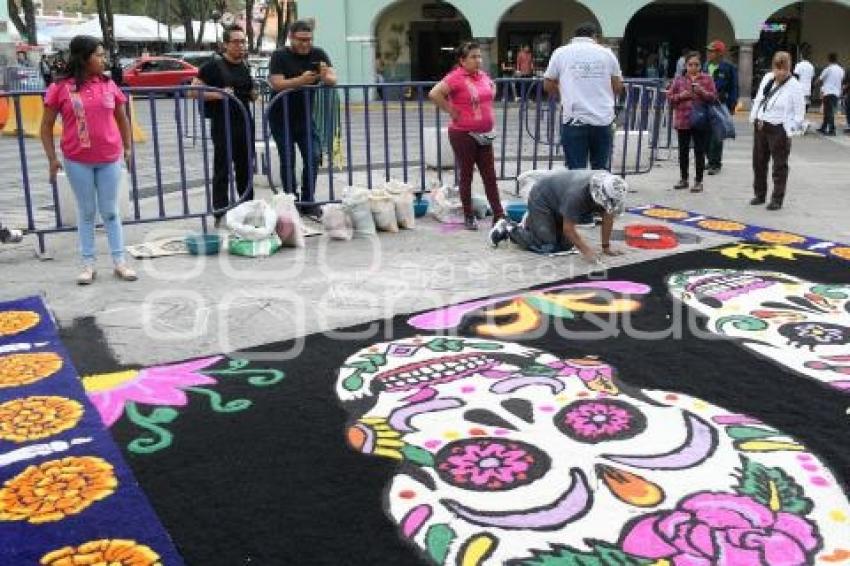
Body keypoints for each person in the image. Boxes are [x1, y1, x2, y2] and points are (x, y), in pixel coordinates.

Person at [39, 35, 136, 285]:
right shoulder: (60, 87)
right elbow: (46, 126)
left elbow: (122, 117)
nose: (103, 59)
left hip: (109, 158)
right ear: (84, 58)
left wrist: (127, 147)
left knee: (111, 212)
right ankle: (87, 264)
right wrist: (52, 158)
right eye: (99, 54)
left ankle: (119, 261)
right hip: (76, 160)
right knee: (86, 212)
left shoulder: (108, 84)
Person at [429, 41, 506, 231]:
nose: (478, 60)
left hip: (485, 134)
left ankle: (499, 215)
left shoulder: (482, 76)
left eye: (480, 56)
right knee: (466, 175)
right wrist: (451, 110)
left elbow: (491, 88)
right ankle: (468, 215)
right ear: (462, 60)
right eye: (473, 57)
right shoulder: (456, 77)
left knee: (490, 175)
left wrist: (489, 97)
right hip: (463, 134)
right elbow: (434, 93)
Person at [267, 19, 337, 217]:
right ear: (291, 37)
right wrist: (301, 81)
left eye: (309, 39)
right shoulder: (279, 55)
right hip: (281, 117)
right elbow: (277, 83)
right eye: (301, 40)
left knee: (314, 155)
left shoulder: (318, 53)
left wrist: (324, 76)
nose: (305, 44)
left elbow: (333, 79)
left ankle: (308, 200)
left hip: (305, 117)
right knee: (287, 159)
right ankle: (290, 199)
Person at [193, 24, 257, 226]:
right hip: (223, 124)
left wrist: (253, 93)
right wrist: (219, 95)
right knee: (222, 169)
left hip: (244, 122)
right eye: (236, 42)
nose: (240, 46)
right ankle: (220, 212)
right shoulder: (212, 67)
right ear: (225, 45)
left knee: (246, 167)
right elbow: (191, 92)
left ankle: (247, 207)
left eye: (243, 41)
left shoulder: (245, 65)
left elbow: (248, 91)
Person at [488, 170, 627, 263]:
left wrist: (606, 247)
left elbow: (608, 217)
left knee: (565, 246)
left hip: (560, 200)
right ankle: (508, 229)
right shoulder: (578, 195)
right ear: (600, 194)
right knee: (548, 245)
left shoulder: (611, 187)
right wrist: (586, 250)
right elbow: (569, 229)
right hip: (542, 196)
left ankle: (534, 223)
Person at [544, 22, 623, 173]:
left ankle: (578, 197)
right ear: (595, 36)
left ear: (575, 36)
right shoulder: (607, 53)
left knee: (575, 172)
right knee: (600, 172)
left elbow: (547, 84)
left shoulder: (561, 52)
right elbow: (618, 87)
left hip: (574, 119)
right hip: (603, 120)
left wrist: (563, 93)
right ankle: (597, 196)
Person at [750, 51, 805, 211]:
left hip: (779, 128)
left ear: (790, 68)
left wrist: (790, 131)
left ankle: (777, 199)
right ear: (773, 66)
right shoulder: (768, 78)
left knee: (779, 166)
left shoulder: (794, 85)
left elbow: (799, 113)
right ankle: (759, 194)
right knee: (758, 162)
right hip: (761, 125)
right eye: (777, 67)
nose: (780, 72)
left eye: (784, 68)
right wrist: (754, 118)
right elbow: (760, 99)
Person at [667, 51, 717, 193]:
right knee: (683, 151)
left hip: (700, 120)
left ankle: (699, 181)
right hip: (683, 120)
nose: (693, 67)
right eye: (690, 65)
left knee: (699, 151)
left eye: (696, 65)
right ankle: (684, 178)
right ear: (686, 65)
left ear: (701, 66)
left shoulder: (707, 79)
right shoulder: (679, 80)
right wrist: (681, 96)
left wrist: (701, 91)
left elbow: (713, 97)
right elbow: (670, 98)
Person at [704, 40, 738, 175]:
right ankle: (710, 158)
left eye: (712, 51)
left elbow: (734, 87)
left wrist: (732, 105)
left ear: (719, 53)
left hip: (719, 104)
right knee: (705, 134)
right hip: (705, 103)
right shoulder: (705, 66)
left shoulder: (729, 67)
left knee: (717, 134)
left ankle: (715, 163)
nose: (709, 54)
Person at [817, 53, 844, 136]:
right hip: (836, 93)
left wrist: (815, 83)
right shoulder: (841, 70)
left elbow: (820, 79)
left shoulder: (828, 69)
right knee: (828, 111)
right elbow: (842, 80)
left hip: (828, 92)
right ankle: (823, 128)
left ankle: (832, 130)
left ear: (829, 59)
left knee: (829, 112)